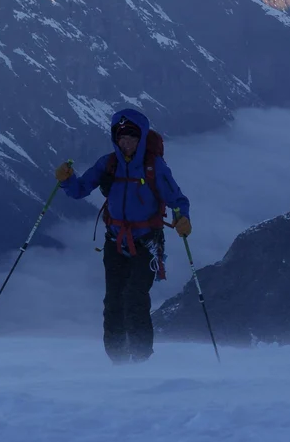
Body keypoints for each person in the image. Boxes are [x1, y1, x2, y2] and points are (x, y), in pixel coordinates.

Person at [55, 107, 191, 363]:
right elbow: (80, 189)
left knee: (134, 297)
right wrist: (67, 180)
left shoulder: (154, 167)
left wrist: (182, 217)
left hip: (148, 242)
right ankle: (117, 361)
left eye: (131, 136)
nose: (125, 141)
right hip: (115, 241)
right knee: (114, 302)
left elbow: (177, 198)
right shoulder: (108, 164)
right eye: (120, 136)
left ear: (140, 138)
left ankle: (140, 360)